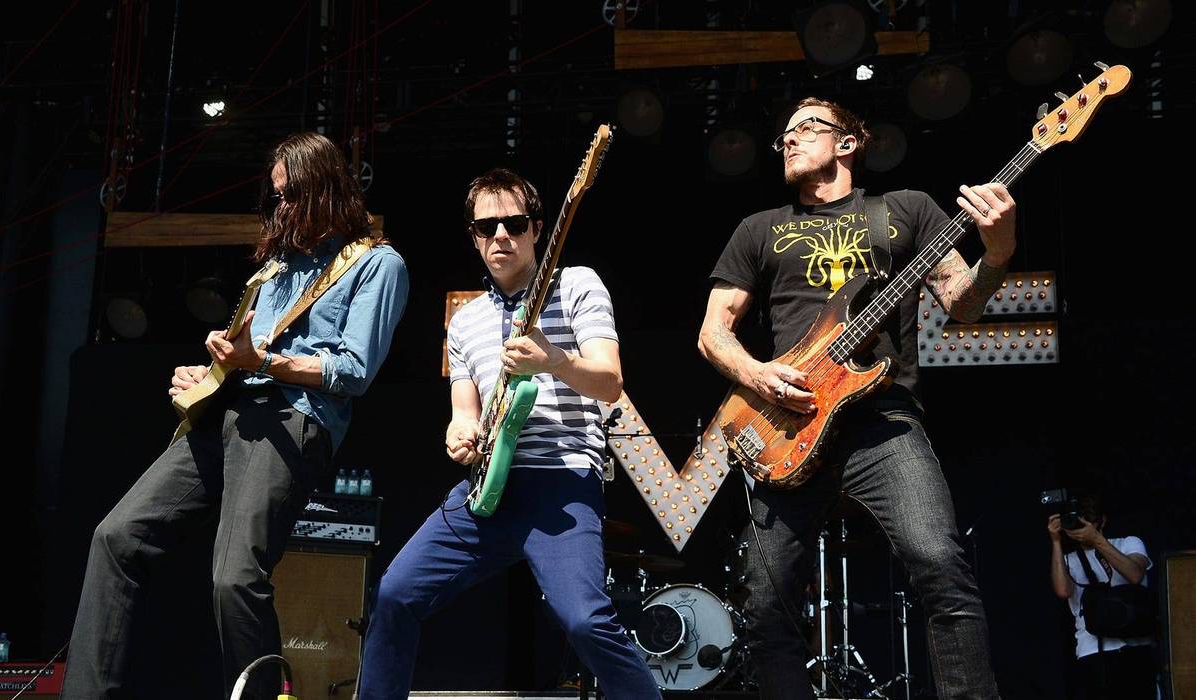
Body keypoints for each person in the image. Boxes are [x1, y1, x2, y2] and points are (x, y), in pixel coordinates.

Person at [62, 132, 409, 699]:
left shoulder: (377, 263)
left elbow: (354, 371)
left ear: (327, 188)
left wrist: (262, 361)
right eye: (276, 197)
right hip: (226, 415)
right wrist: (207, 375)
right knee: (116, 536)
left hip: (292, 421)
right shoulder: (275, 265)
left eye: (292, 194)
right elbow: (241, 357)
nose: (283, 208)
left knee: (234, 578)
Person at [697, 97, 1015, 699]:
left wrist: (997, 252)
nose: (788, 140)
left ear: (847, 143)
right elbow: (713, 333)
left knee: (940, 566)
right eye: (783, 134)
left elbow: (963, 301)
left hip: (882, 418)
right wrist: (761, 376)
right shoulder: (758, 228)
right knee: (765, 604)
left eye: (805, 129)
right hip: (786, 421)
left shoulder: (907, 210)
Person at [357, 168, 660, 700]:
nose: (500, 236)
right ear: (472, 236)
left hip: (559, 483)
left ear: (537, 228)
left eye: (514, 223)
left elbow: (609, 382)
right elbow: (462, 410)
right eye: (485, 226)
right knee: (393, 595)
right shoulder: (463, 320)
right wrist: (461, 433)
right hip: (484, 494)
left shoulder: (577, 284)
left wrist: (554, 359)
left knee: (585, 620)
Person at [1049, 494, 1156, 700]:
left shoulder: (1128, 543)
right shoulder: (1068, 559)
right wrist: (1055, 542)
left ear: (1102, 521)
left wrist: (1096, 540)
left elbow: (1134, 574)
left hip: (1135, 647)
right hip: (1093, 651)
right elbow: (1063, 591)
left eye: (1086, 522)